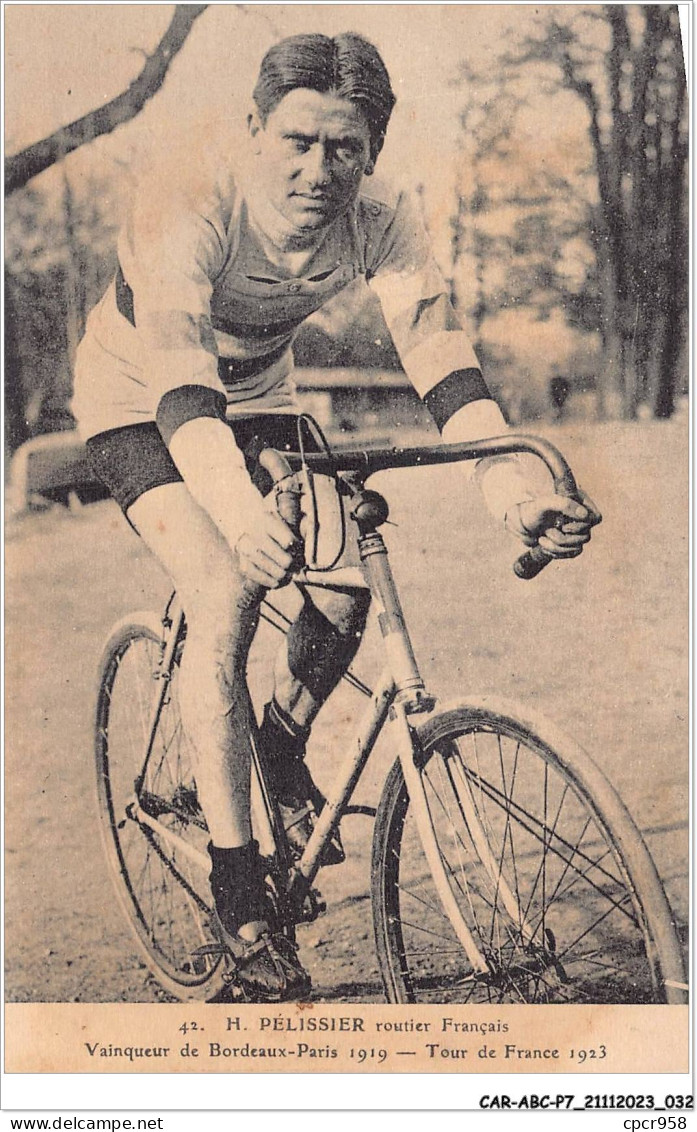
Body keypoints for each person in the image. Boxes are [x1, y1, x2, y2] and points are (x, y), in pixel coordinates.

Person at [72, 32, 600, 1001]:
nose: (319, 171)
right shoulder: (190, 192)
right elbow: (184, 387)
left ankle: (276, 744)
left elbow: (442, 360)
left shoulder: (383, 217)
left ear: (373, 153)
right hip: (140, 396)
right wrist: (237, 516)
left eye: (345, 149)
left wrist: (511, 492)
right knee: (226, 585)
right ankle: (238, 885)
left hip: (262, 393)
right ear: (254, 130)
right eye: (299, 142)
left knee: (348, 581)